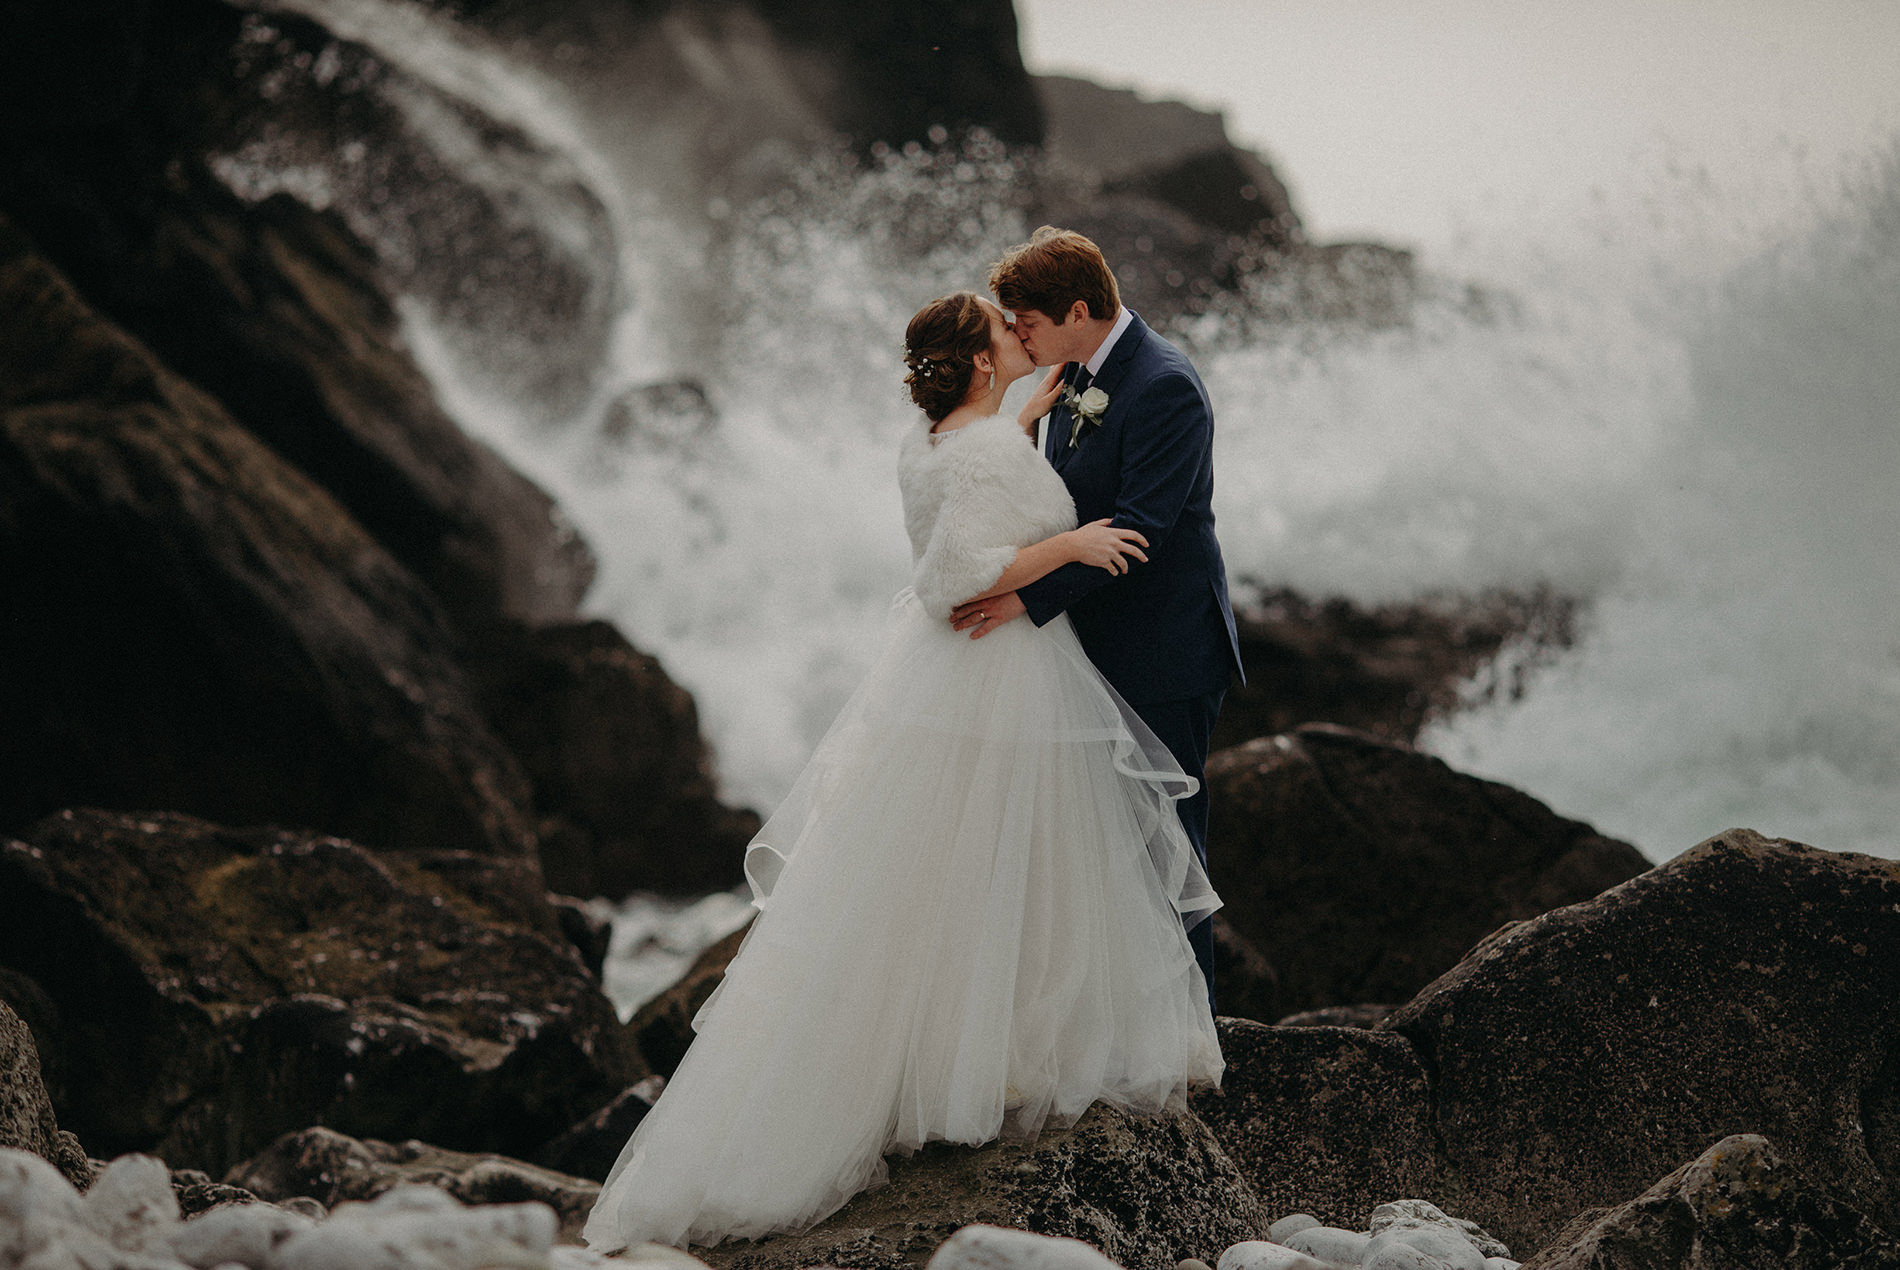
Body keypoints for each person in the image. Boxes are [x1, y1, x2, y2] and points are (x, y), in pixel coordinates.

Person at [582, 291, 1223, 1253]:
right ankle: (991, 1067)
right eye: (1004, 334)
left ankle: (975, 1056)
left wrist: (1028, 421)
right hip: (1000, 675)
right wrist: (1072, 545)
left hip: (947, 677)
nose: (1019, 337)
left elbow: (969, 482)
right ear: (975, 364)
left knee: (944, 871)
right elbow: (953, 574)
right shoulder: (990, 449)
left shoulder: (932, 440)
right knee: (1010, 859)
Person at [953, 228, 1244, 1000]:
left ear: (1078, 310)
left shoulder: (1164, 386)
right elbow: (1059, 506)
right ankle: (1118, 1027)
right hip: (1091, 648)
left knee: (1167, 850)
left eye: (1028, 326)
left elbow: (1138, 533)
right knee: (1099, 852)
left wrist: (1022, 597)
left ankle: (1193, 1039)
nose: (1019, 338)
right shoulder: (1072, 371)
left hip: (1164, 652)